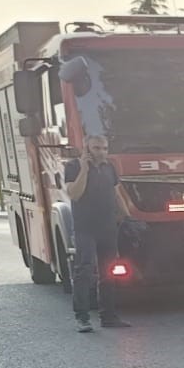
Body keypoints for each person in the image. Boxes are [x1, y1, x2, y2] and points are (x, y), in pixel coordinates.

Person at [63, 134, 128, 332]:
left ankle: (108, 316)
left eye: (105, 148)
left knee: (108, 272)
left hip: (107, 227)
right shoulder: (73, 167)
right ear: (87, 149)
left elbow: (116, 193)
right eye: (97, 148)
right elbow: (74, 194)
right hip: (85, 228)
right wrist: (84, 169)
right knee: (84, 270)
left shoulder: (109, 167)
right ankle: (82, 317)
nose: (102, 152)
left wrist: (128, 216)